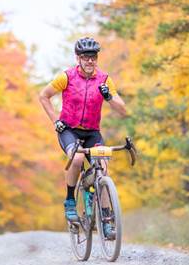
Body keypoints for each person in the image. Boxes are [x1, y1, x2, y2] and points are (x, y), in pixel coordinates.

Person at [38, 36, 128, 225]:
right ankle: (70, 200)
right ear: (77, 58)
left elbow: (123, 110)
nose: (90, 61)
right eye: (85, 57)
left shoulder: (104, 80)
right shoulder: (67, 77)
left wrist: (109, 96)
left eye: (93, 57)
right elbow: (44, 96)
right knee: (77, 158)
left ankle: (106, 217)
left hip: (92, 132)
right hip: (69, 130)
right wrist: (56, 121)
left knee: (102, 169)